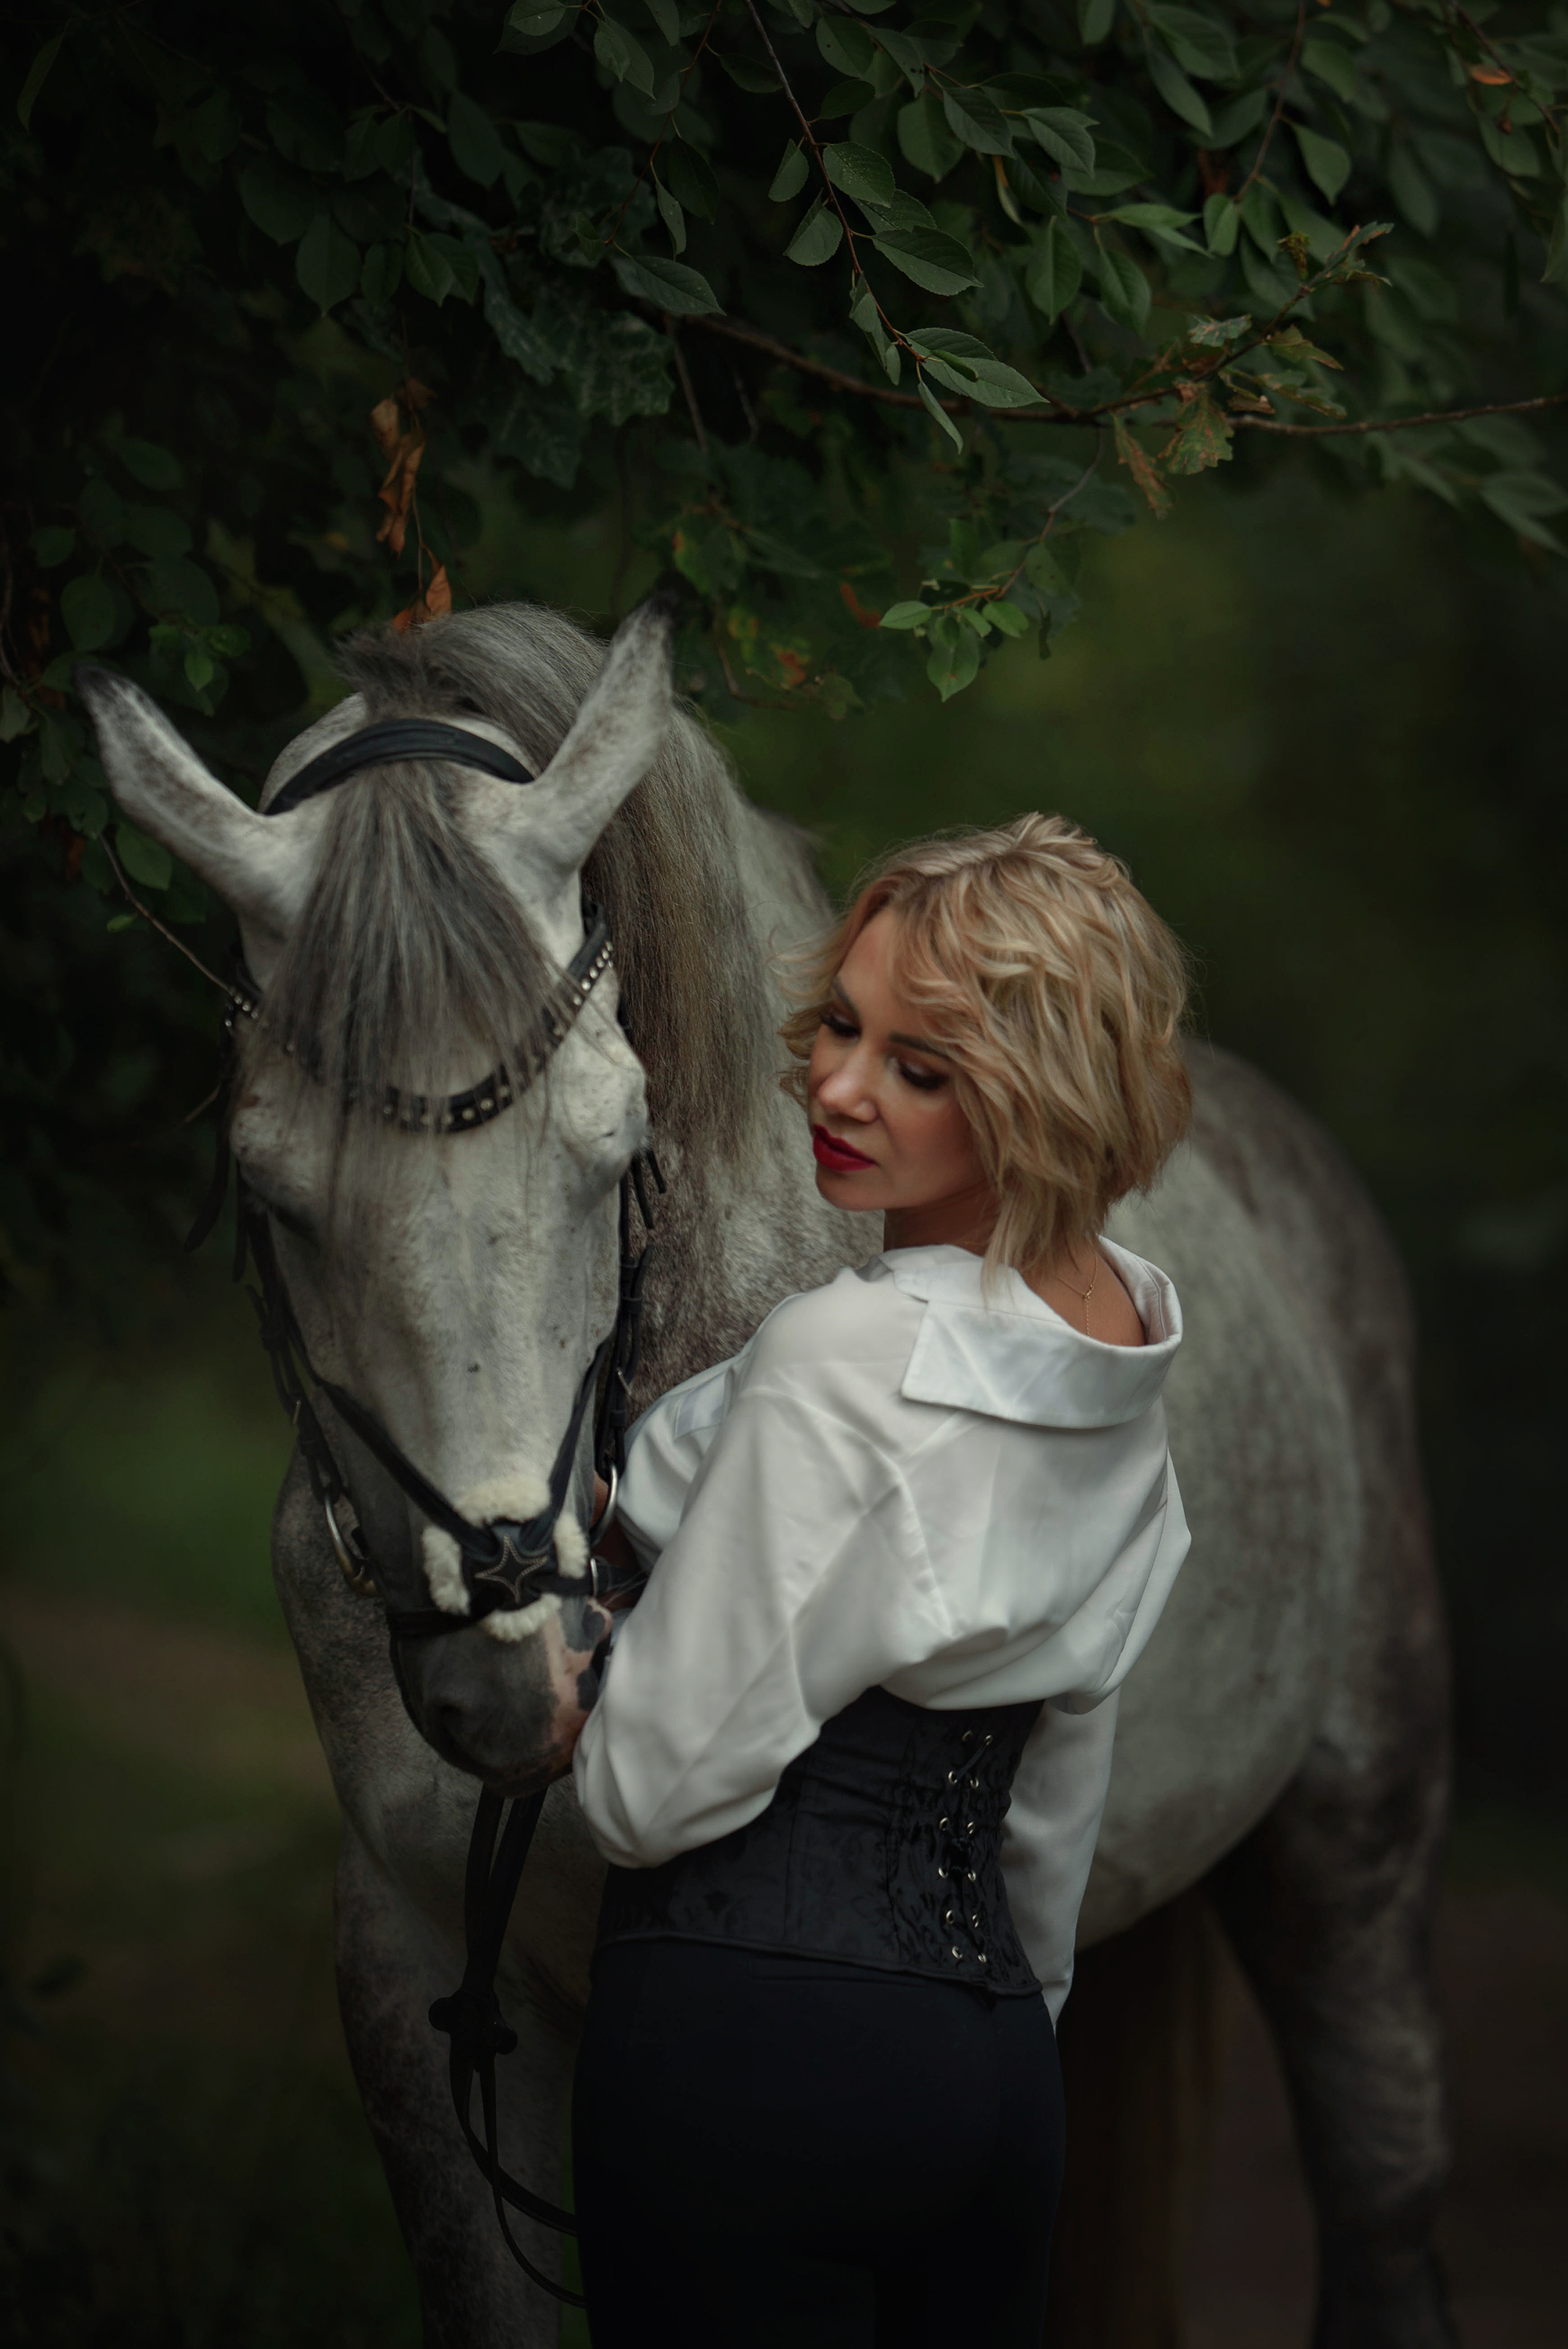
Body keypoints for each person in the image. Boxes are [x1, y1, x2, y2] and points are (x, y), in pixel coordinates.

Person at [567, 815, 1194, 2348]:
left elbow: (646, 1794)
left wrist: (591, 1660)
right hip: (991, 2088)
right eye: (841, 1025)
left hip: (745, 2061)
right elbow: (1048, 1827)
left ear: (1039, 1098)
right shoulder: (1122, 1376)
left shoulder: (841, 1360)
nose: (837, 1090)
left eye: (920, 1067)